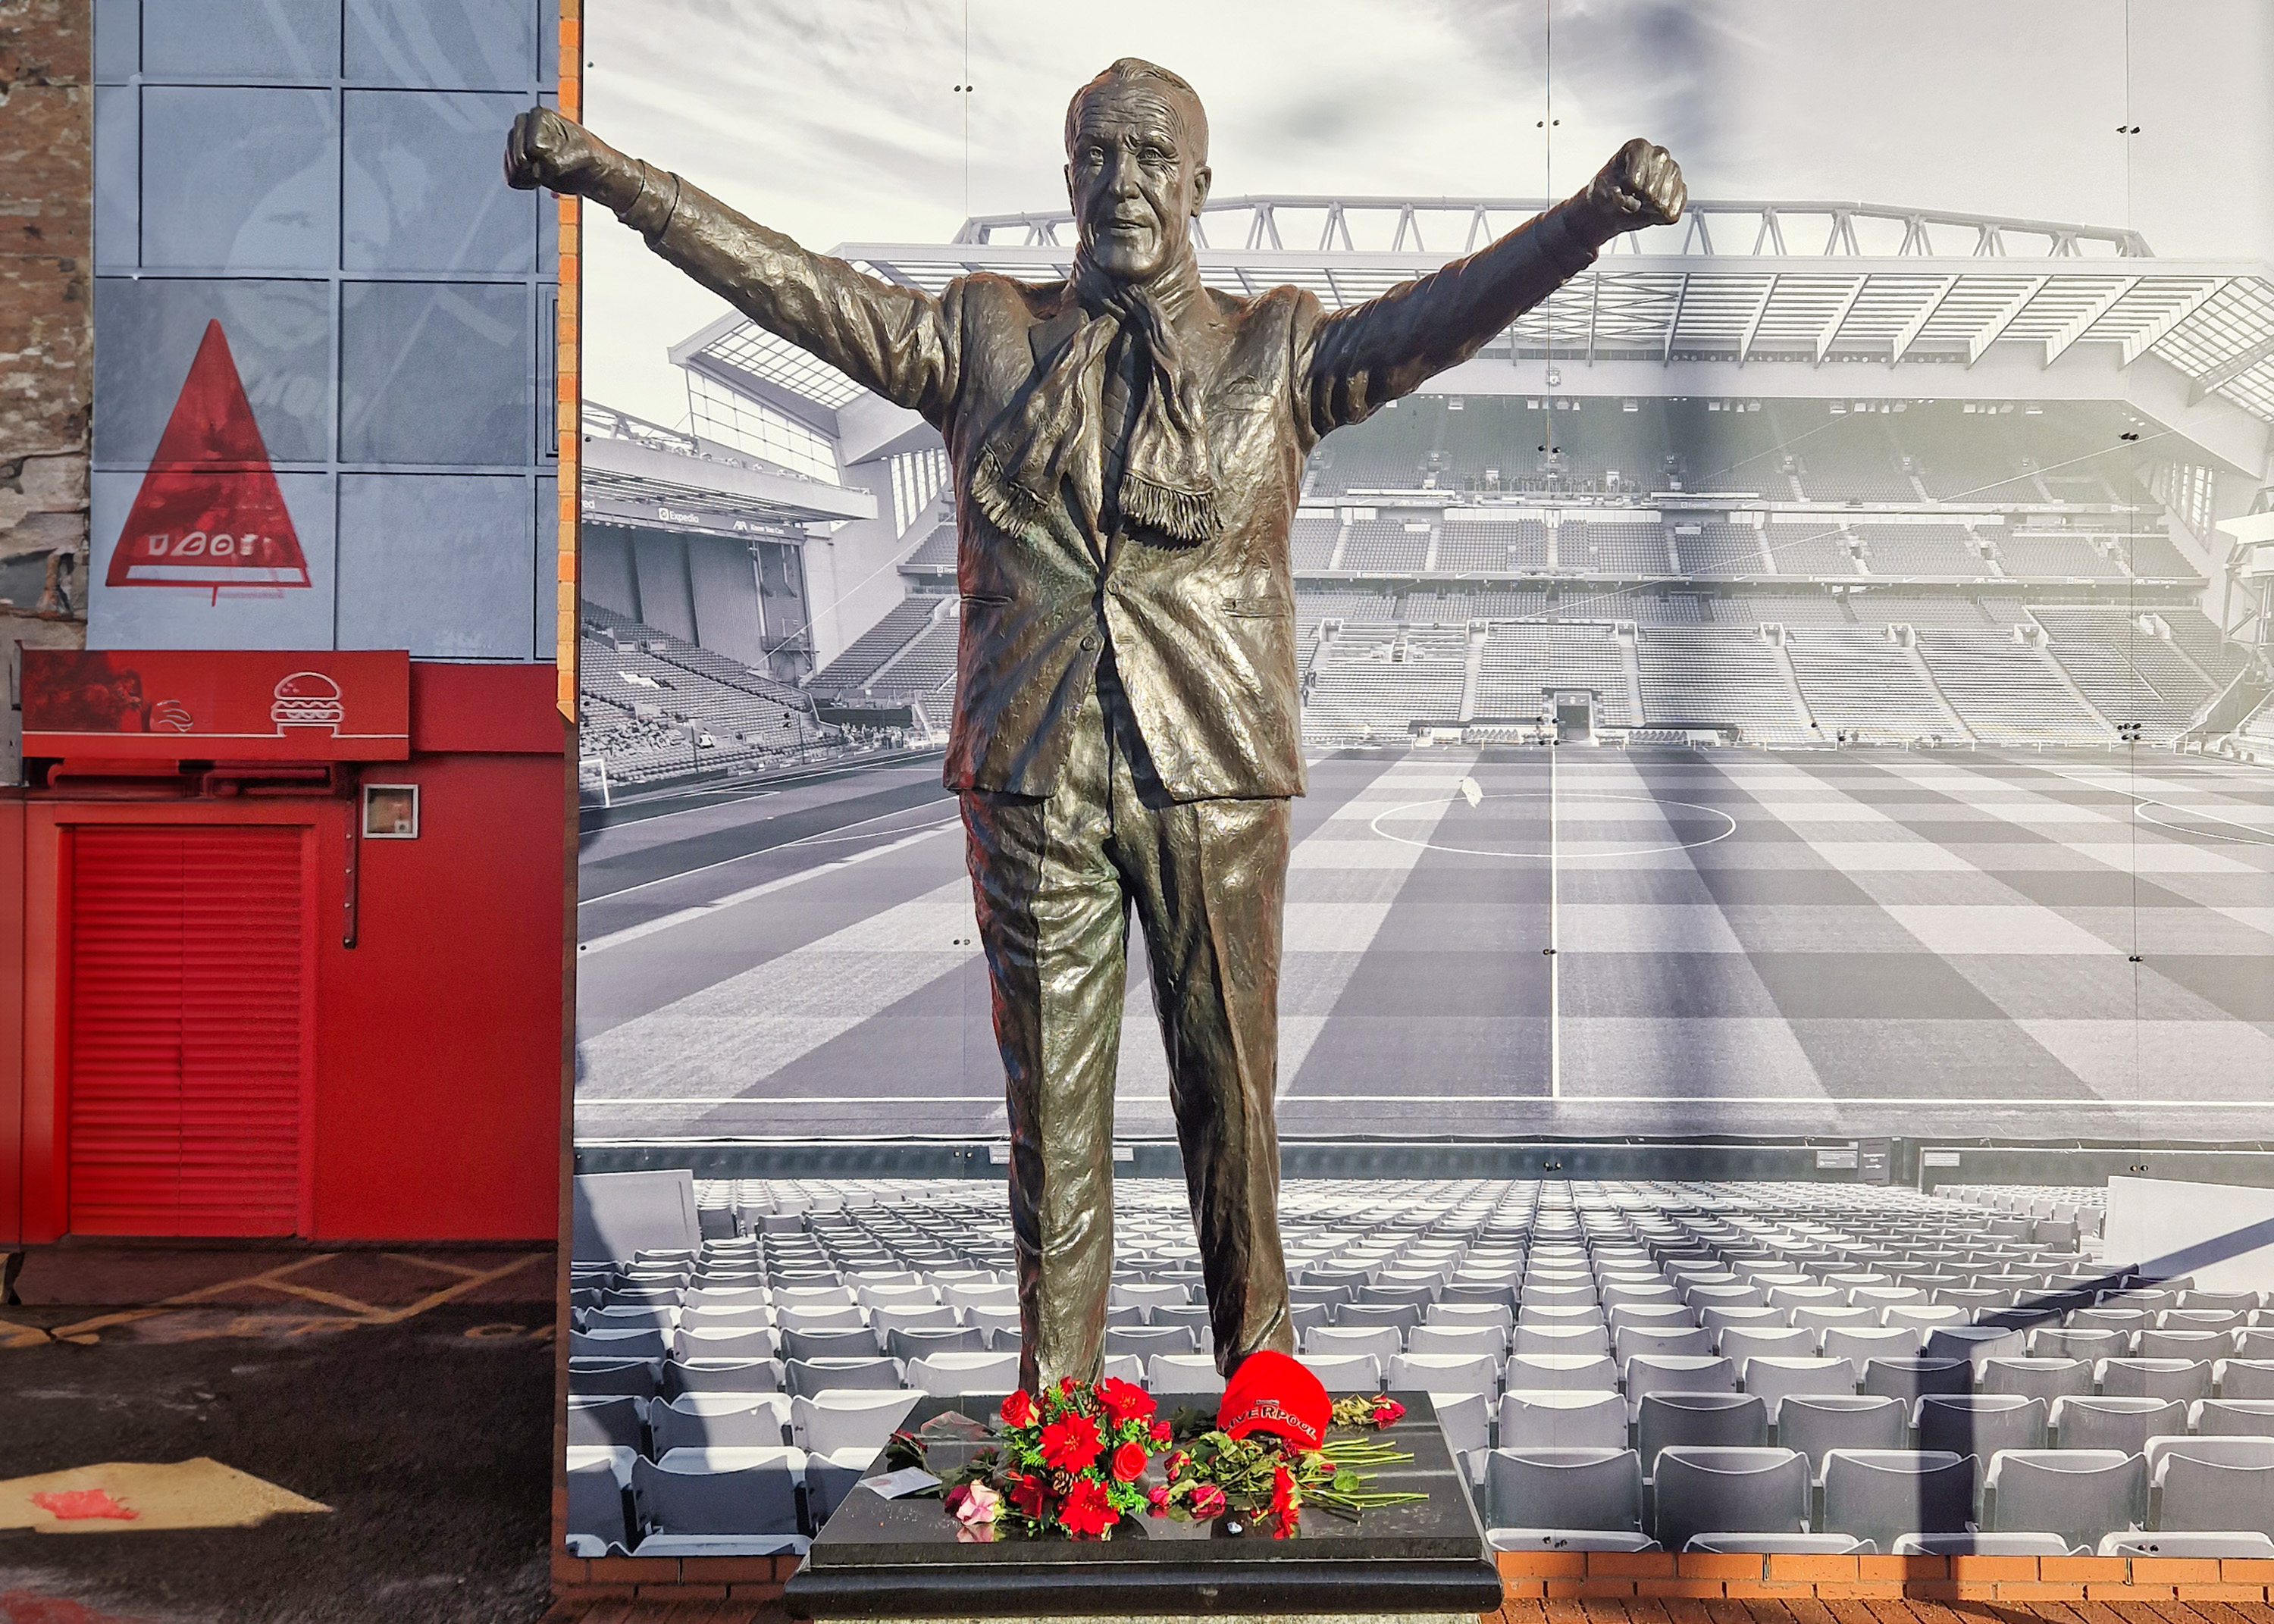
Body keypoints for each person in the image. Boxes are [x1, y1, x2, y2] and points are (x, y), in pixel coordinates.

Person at [508, 59, 1684, 1389]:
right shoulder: (979, 334)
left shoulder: (1278, 346)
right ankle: (1056, 1417)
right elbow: (795, 288)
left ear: (1196, 183)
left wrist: (1587, 219)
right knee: (1050, 1127)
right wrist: (617, 182)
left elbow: (1443, 314)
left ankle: (1265, 1400)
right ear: (1067, 177)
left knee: (1231, 1103)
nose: (1121, 183)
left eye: (1148, 158)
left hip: (1212, 773)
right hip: (1031, 774)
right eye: (1095, 158)